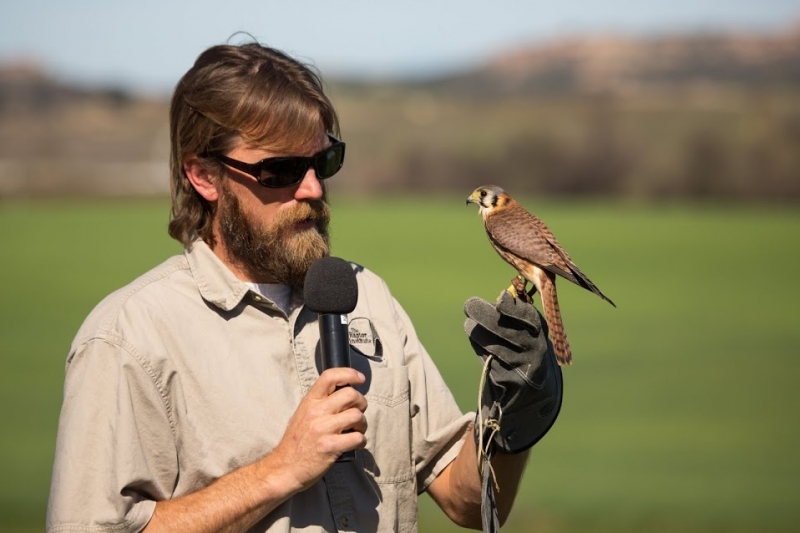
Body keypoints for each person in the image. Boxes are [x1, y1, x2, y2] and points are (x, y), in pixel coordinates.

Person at [47, 42, 562, 533]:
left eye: (323, 162)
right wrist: (281, 469)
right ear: (204, 176)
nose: (313, 188)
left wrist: (515, 405)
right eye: (282, 170)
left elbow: (466, 500)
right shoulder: (130, 338)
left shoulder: (368, 297)